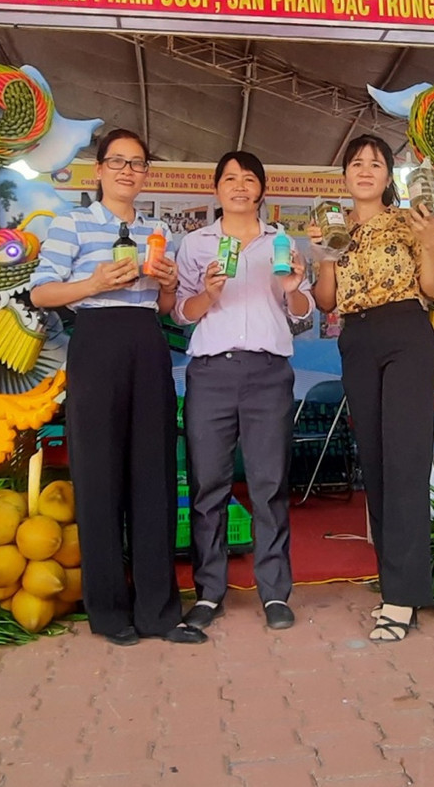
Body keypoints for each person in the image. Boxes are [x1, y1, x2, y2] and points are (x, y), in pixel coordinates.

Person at [29, 129, 206, 647]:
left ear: (146, 173)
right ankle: (108, 611)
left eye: (138, 163)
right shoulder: (73, 223)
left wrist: (170, 282)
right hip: (97, 340)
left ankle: (159, 611)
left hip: (147, 340)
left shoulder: (158, 232)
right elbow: (41, 291)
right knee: (99, 473)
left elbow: (169, 308)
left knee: (154, 473)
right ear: (99, 170)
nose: (129, 171)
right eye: (118, 162)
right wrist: (93, 284)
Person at [309, 134, 434, 642]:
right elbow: (325, 302)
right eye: (356, 162)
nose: (365, 170)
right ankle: (396, 582)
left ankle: (403, 597)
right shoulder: (332, 228)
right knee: (376, 461)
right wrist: (324, 256)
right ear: (344, 174)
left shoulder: (409, 220)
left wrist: (429, 240)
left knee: (406, 459)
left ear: (389, 176)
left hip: (405, 333)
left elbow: (431, 288)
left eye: (376, 163)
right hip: (357, 338)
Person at [174, 152, 314, 632]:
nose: (238, 186)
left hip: (268, 372)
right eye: (229, 178)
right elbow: (180, 313)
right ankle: (209, 593)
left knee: (269, 484)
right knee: (207, 485)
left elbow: (302, 314)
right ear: (216, 189)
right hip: (211, 372)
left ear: (261, 189)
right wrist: (209, 295)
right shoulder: (195, 244)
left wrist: (294, 287)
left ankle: (274, 592)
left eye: (248, 178)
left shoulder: (281, 243)